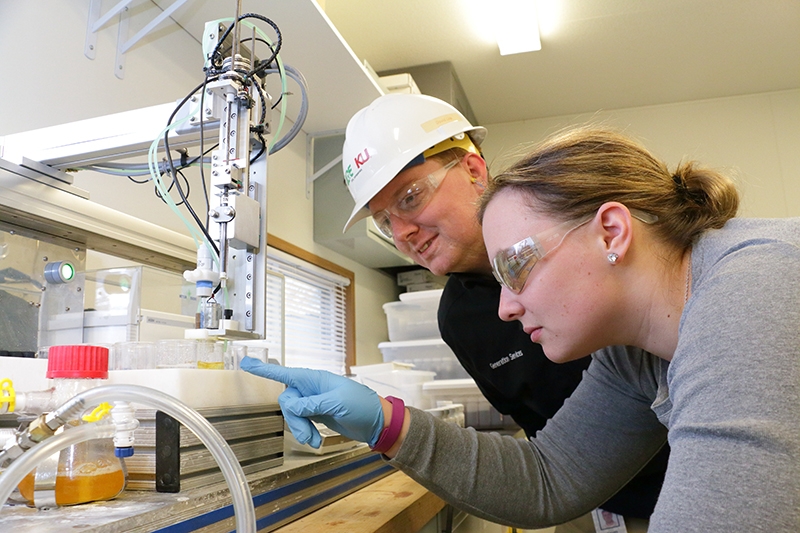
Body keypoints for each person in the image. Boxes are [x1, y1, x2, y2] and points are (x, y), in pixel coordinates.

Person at [241, 126, 800, 531]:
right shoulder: (634, 353)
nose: (505, 309)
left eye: (517, 266)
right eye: (387, 221)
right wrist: (385, 421)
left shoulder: (751, 291)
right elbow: (551, 476)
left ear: (611, 232)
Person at [342, 93, 665, 529]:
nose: (401, 233)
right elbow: (549, 466)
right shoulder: (459, 319)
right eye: (383, 222)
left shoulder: (572, 221)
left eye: (410, 197)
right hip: (590, 494)